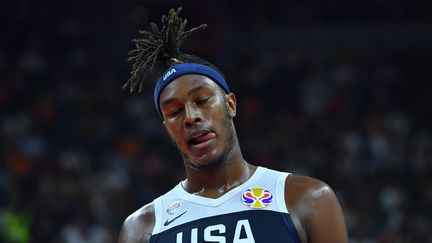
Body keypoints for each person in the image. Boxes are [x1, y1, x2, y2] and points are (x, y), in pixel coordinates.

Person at [118, 7, 348, 243]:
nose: (190, 117)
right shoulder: (142, 228)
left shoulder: (306, 198)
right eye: (175, 111)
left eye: (202, 100)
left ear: (230, 104)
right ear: (167, 128)